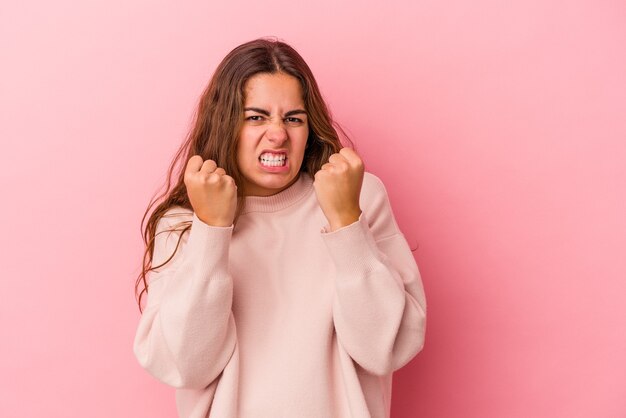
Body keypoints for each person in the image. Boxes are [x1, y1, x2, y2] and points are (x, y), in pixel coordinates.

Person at [133, 37, 427, 418]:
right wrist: (211, 230)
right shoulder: (183, 223)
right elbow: (185, 365)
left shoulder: (358, 198)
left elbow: (386, 349)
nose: (278, 135)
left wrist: (345, 223)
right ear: (226, 123)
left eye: (293, 118)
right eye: (255, 116)